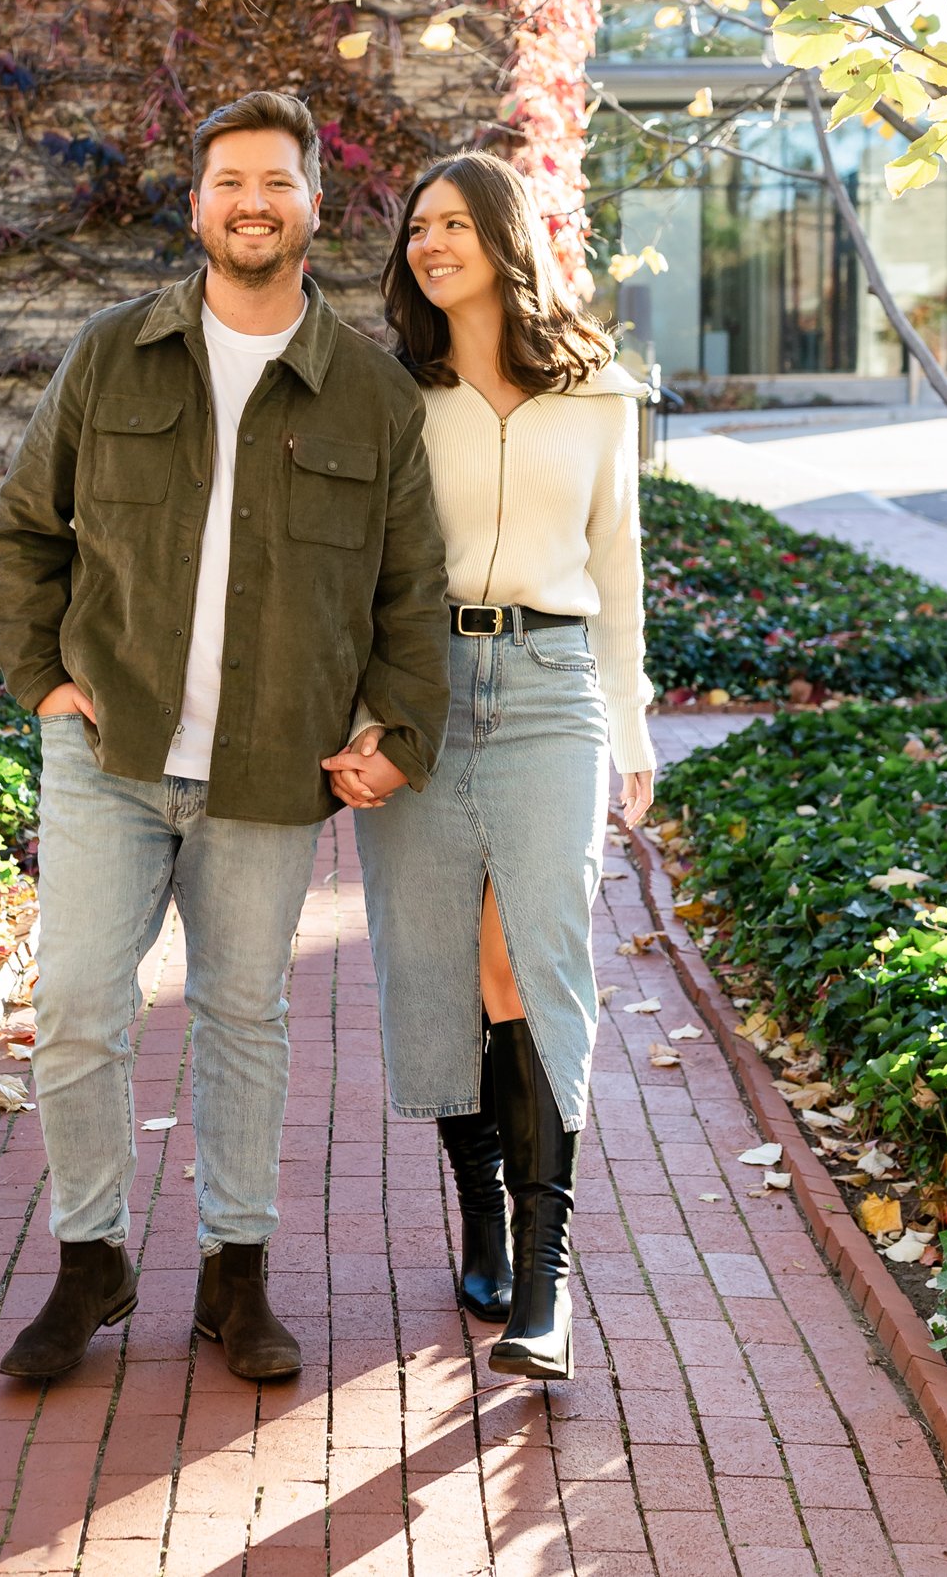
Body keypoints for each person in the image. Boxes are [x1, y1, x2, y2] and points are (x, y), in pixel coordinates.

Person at [0, 88, 449, 1384]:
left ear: (313, 206)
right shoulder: (109, 353)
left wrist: (398, 728)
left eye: (276, 182)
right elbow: (27, 529)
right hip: (110, 753)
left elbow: (410, 594)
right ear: (196, 207)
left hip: (268, 769)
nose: (252, 202)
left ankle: (232, 1278)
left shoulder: (367, 396)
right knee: (77, 1007)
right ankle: (91, 1260)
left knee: (243, 1018)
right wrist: (40, 680)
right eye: (228, 181)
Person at [321, 150, 656, 1382]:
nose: (429, 242)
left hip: (551, 690)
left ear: (506, 237)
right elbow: (356, 577)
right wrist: (362, 714)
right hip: (420, 692)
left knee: (530, 965)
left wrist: (632, 729)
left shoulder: (598, 395)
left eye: (454, 222)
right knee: (437, 973)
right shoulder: (392, 394)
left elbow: (615, 571)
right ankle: (479, 1217)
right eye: (417, 226)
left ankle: (545, 1280)